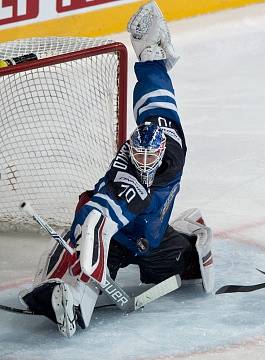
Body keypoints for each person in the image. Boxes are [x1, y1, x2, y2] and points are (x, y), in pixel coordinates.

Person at [18, 1, 214, 338]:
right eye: (139, 157)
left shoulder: (172, 142)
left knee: (186, 266)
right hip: (121, 238)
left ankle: (185, 235)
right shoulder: (129, 176)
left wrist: (150, 56)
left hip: (152, 234)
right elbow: (98, 220)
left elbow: (157, 98)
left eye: (151, 158)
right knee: (84, 270)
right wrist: (86, 259)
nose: (145, 164)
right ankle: (66, 286)